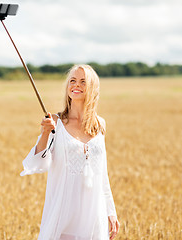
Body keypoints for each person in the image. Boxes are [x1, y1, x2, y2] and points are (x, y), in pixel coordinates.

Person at [20, 64, 120, 240]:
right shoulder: (56, 122)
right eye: (72, 81)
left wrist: (110, 211)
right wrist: (45, 133)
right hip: (64, 212)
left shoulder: (100, 124)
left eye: (83, 82)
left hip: (93, 213)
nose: (76, 85)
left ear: (92, 88)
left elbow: (101, 173)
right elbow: (37, 162)